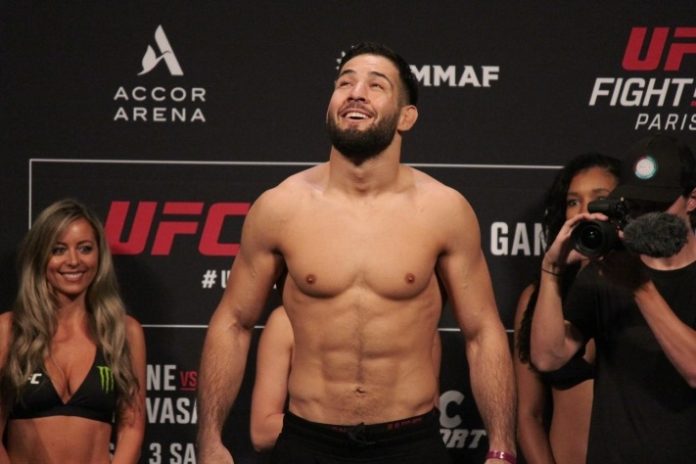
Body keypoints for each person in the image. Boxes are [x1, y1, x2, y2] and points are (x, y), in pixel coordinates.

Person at [196, 42, 516, 464]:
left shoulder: (443, 211)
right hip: (308, 444)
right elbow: (233, 322)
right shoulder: (280, 208)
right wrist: (209, 439)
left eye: (376, 85)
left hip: (409, 444)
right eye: (345, 83)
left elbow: (482, 332)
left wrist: (502, 448)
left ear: (407, 116)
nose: (356, 93)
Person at [531, 134, 696, 463]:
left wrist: (639, 287)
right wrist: (551, 270)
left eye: (658, 205)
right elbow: (548, 358)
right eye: (636, 204)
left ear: (692, 199)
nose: (646, 215)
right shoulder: (606, 271)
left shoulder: (626, 275)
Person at [0, 199, 147, 464]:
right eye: (58, 250)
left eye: (85, 248)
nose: (73, 261)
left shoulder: (124, 332)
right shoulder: (9, 330)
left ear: (99, 255)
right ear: (40, 256)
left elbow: (132, 429)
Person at [513, 153, 619, 464]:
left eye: (599, 199)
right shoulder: (540, 298)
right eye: (574, 201)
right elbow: (528, 415)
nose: (584, 211)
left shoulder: (649, 289)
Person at [250, 305, 443, 452]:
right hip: (315, 454)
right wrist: (346, 426)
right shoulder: (286, 321)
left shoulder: (419, 323)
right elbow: (262, 432)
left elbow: (428, 422)